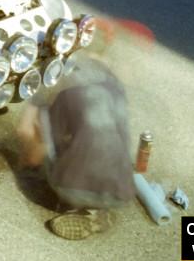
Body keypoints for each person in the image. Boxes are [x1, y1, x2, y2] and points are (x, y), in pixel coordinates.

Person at [17, 50, 134, 240]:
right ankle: (99, 210)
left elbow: (34, 147)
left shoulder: (65, 92)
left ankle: (74, 206)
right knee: (93, 136)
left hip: (74, 189)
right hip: (123, 187)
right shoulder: (115, 86)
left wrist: (26, 163)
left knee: (47, 142)